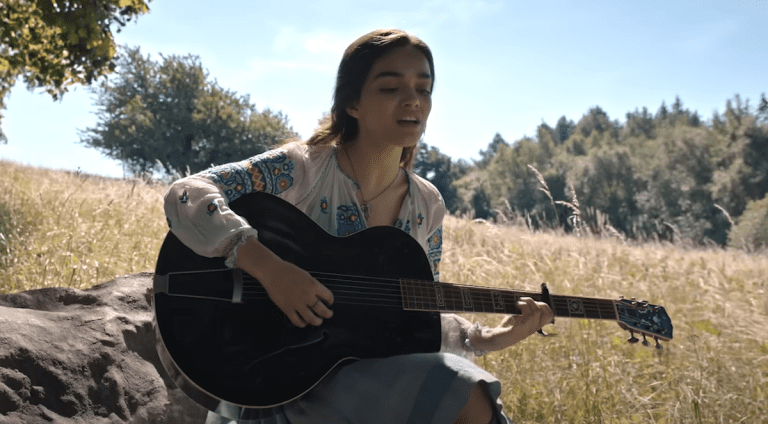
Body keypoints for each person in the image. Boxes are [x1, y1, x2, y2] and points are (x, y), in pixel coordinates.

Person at [164, 28, 554, 424]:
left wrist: (492, 338)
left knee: (456, 386)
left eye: (424, 89)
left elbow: (418, 311)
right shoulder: (302, 168)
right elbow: (187, 192)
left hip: (368, 385)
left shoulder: (427, 204)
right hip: (273, 386)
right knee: (459, 386)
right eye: (390, 88)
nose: (412, 101)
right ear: (352, 102)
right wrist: (271, 270)